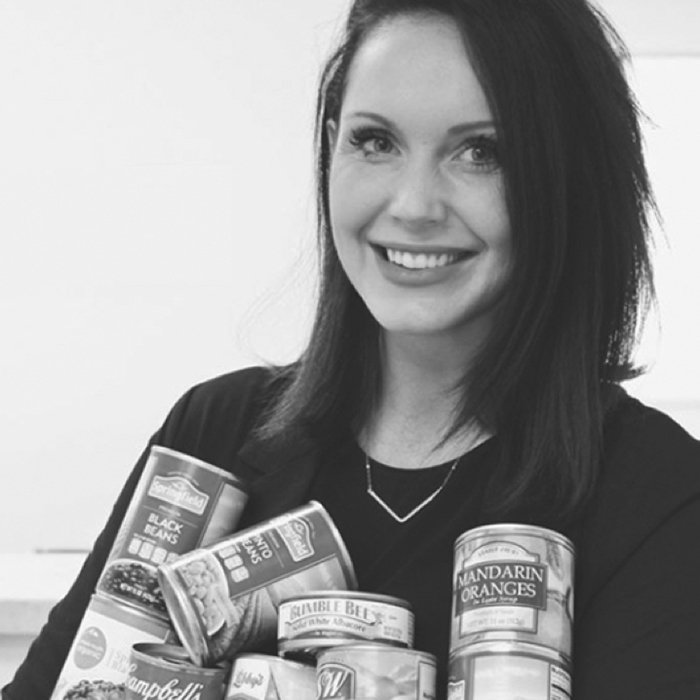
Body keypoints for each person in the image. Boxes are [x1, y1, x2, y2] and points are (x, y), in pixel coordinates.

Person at [5, 0, 700, 698]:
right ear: (331, 147)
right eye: (376, 141)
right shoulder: (214, 433)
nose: (414, 205)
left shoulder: (660, 499)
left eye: (483, 152)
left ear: (570, 180)